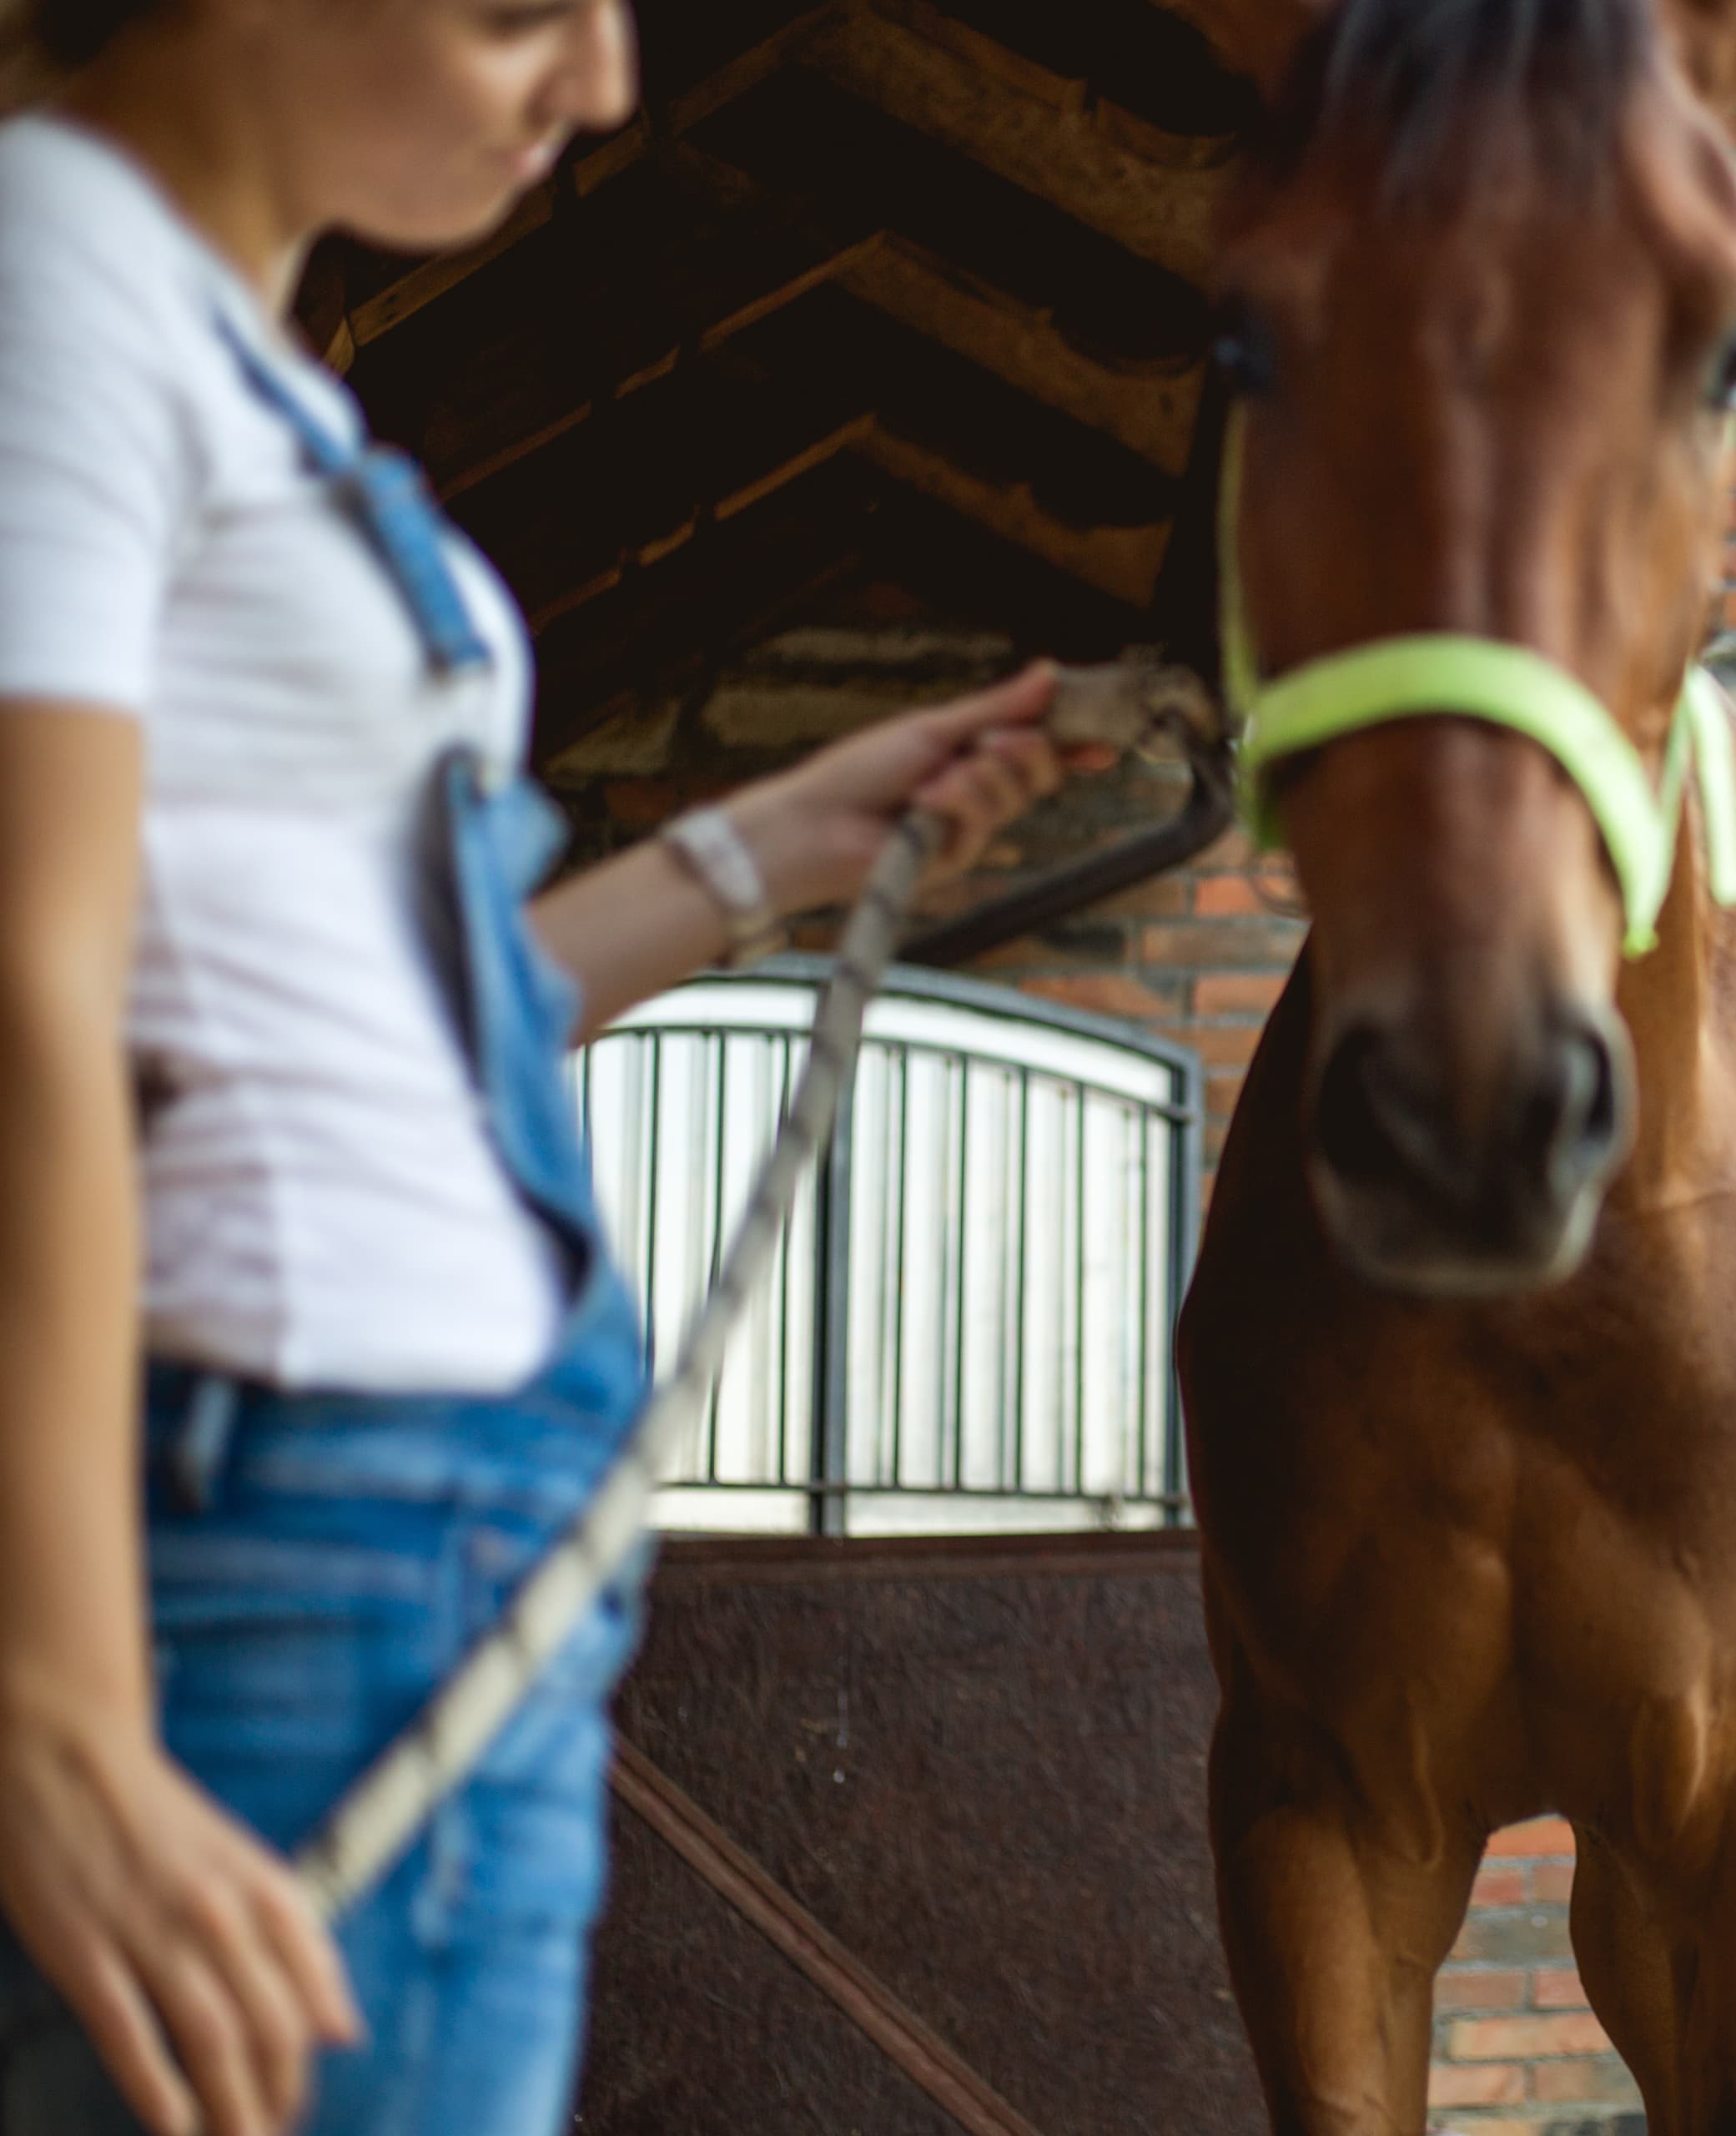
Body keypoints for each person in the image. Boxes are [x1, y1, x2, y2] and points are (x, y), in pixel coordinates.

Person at [0, 4, 1107, 2133]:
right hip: (289, 1532)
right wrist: (55, 1706)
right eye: (524, 11)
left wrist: (772, 845)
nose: (598, 84)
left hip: (431, 1524)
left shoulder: (224, 346)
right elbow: (25, 980)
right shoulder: (59, 280)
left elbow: (405, 1019)